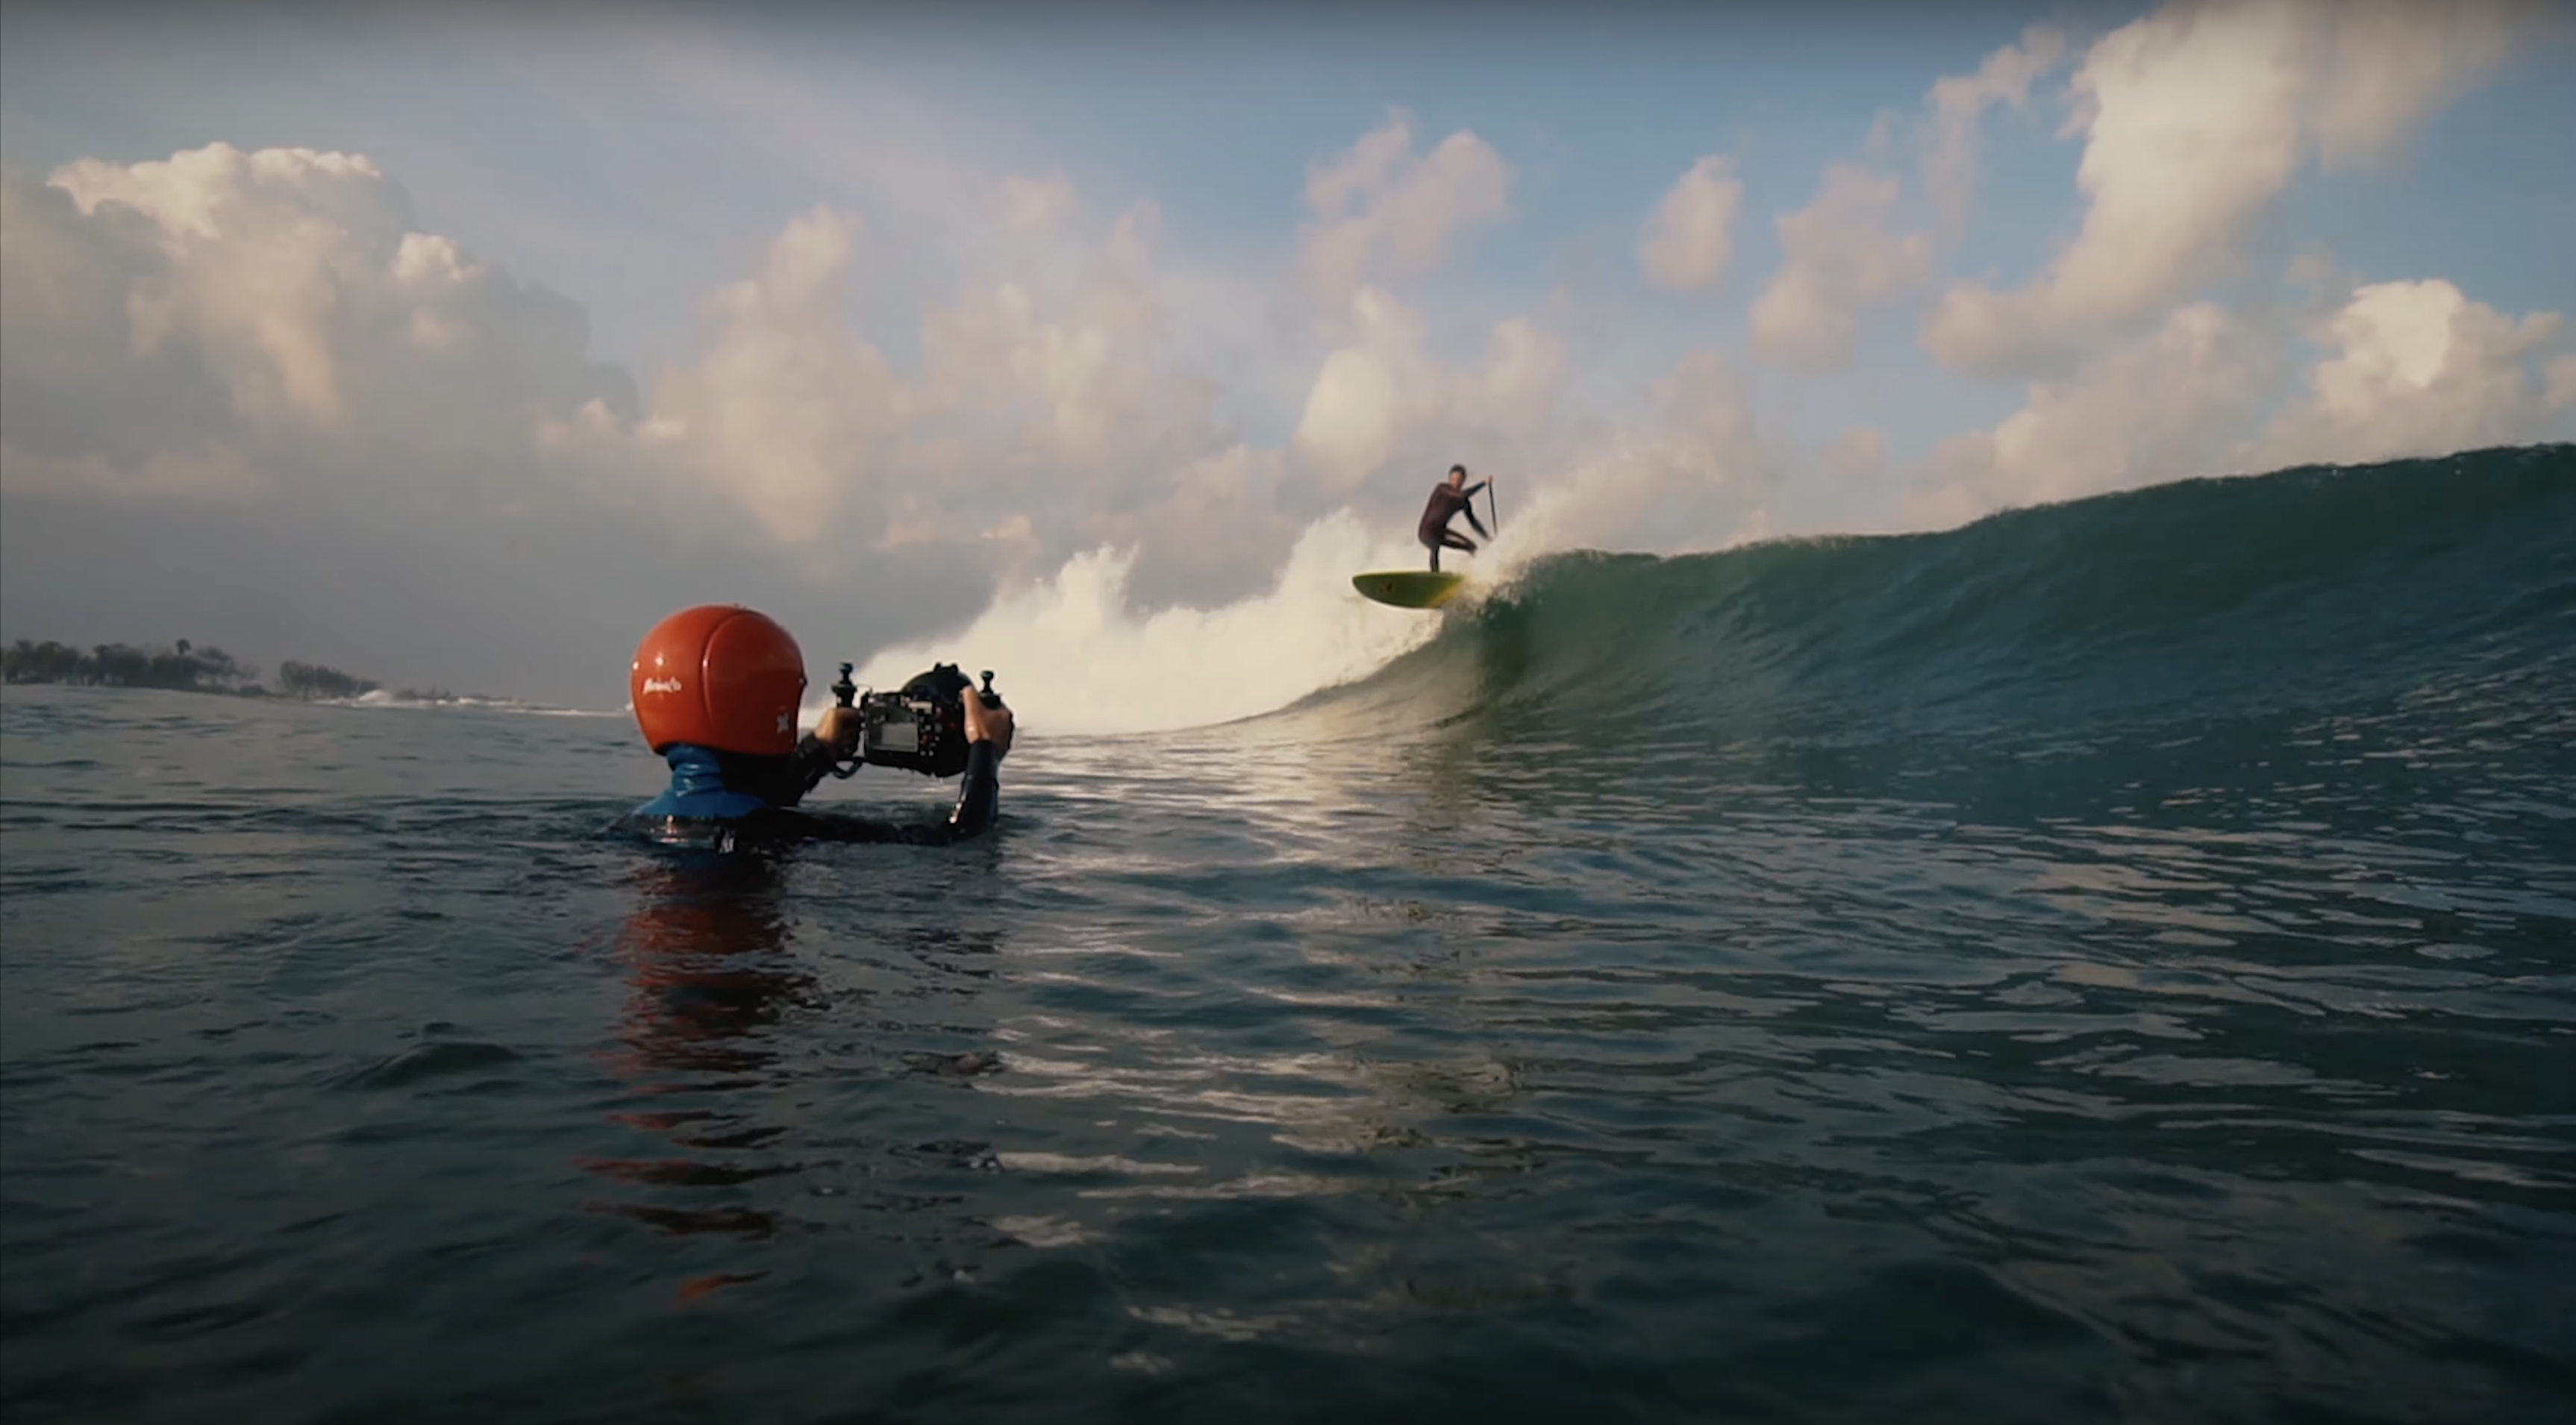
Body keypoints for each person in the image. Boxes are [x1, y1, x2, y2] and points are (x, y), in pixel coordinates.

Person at [622, 604, 1013, 851]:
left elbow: (746, 806)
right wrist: (984, 748)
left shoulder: (633, 827)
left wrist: (818, 752)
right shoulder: (784, 832)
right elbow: (958, 838)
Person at [1416, 463, 1493, 572]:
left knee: (1471, 547)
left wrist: (1487, 537)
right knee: (1435, 547)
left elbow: (1473, 522)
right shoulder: (1442, 489)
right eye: (1453, 479)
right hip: (1426, 532)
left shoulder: (1464, 503)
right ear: (1449, 479)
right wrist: (1483, 483)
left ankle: (1475, 571)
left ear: (1463, 480)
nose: (1455, 482)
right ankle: (1435, 576)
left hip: (1442, 533)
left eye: (1459, 479)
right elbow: (1461, 495)